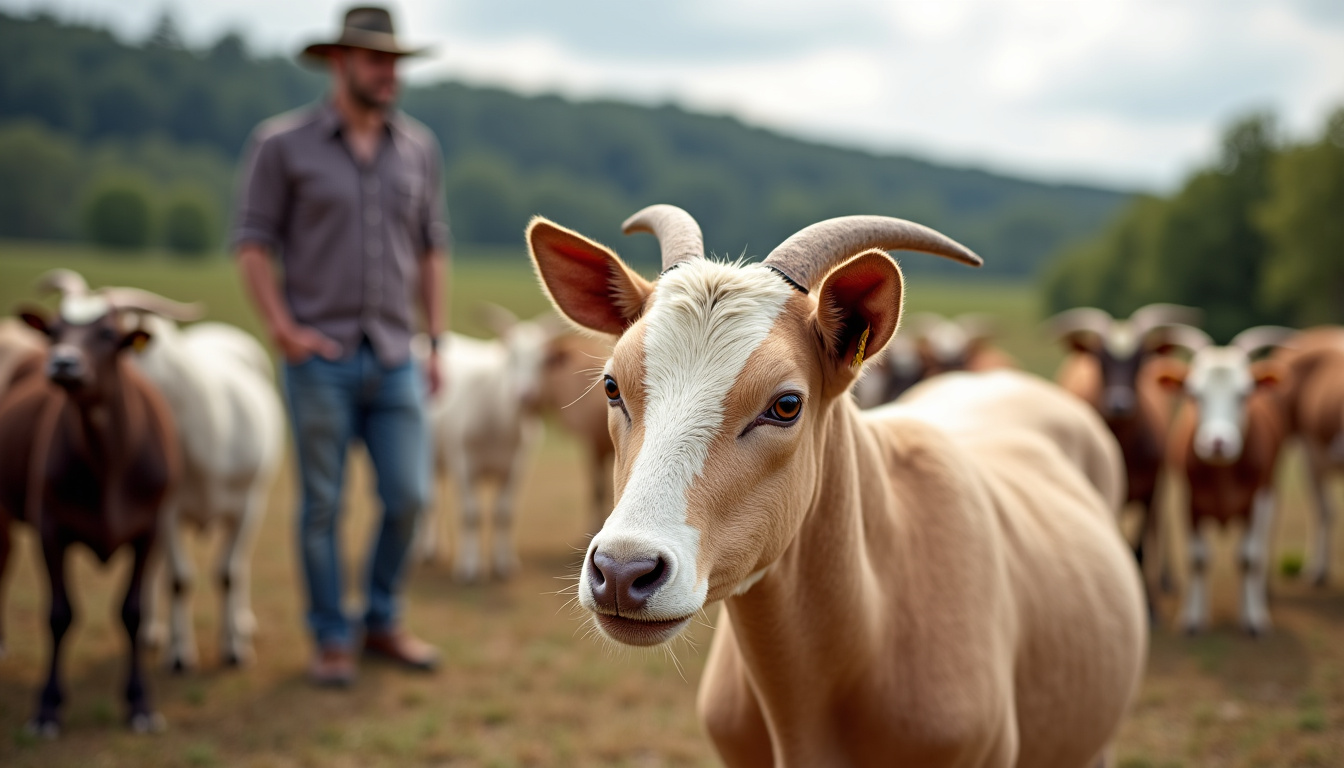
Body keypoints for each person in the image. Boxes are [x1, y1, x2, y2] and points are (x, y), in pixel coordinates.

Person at [232, 5, 448, 686]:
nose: (389, 74)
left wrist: (435, 339)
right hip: (317, 357)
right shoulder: (281, 144)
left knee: (409, 495)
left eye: (395, 63)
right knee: (322, 504)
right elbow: (252, 244)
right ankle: (331, 636)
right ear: (339, 61)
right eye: (376, 61)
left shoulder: (418, 148)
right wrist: (284, 332)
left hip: (393, 354)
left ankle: (381, 619)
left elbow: (431, 250)